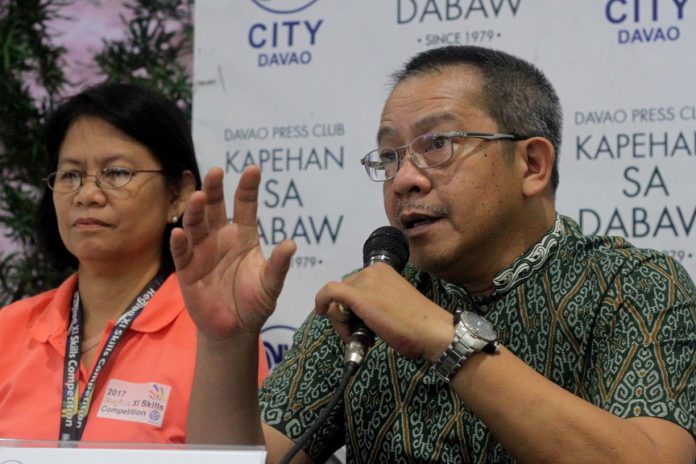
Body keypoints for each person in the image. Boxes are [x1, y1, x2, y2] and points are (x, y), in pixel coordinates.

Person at [172, 46, 696, 463]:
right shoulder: (370, 298)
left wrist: (446, 340)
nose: (404, 180)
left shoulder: (633, 284)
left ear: (532, 164)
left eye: (438, 145)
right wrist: (226, 344)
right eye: (389, 156)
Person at [0, 82, 268, 443]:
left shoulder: (217, 336)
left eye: (116, 173)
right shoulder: (9, 330)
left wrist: (223, 341)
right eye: (70, 175)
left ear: (178, 194)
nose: (87, 195)